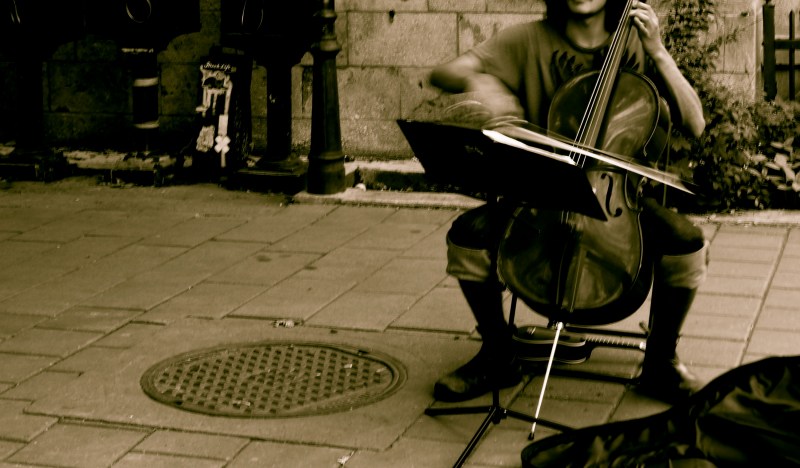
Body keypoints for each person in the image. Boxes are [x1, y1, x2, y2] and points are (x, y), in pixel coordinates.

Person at [428, 0, 709, 404]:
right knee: (467, 236)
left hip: (613, 198)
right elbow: (444, 72)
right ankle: (497, 353)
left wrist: (659, 53)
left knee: (686, 241)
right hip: (542, 194)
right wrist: (480, 82)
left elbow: (695, 124)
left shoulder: (632, 46)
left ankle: (662, 362)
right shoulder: (527, 40)